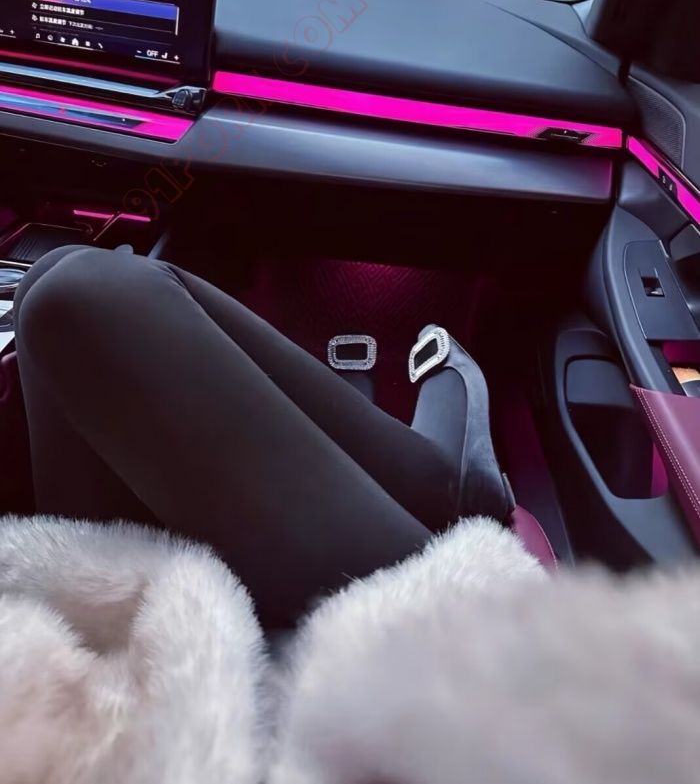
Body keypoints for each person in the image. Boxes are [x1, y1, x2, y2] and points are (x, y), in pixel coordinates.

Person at [13, 244, 512, 629]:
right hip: (396, 638)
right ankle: (435, 483)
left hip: (73, 635)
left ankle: (430, 479)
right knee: (79, 293)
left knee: (46, 280)